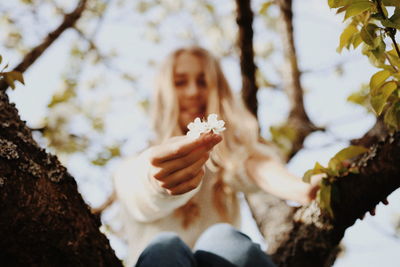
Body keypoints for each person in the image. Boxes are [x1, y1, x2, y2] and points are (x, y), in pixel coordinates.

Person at [113, 46, 320, 266]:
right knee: (165, 247)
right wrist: (158, 179)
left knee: (223, 239)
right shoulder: (134, 166)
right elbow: (139, 192)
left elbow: (258, 167)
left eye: (203, 82)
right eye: (180, 82)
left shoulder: (229, 162)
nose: (193, 92)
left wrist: (302, 189)